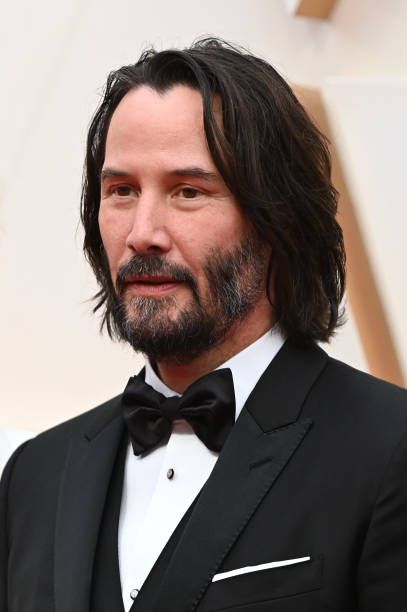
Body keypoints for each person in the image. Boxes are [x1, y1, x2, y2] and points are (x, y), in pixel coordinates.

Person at [1, 38, 406, 612]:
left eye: (187, 191)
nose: (143, 232)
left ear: (276, 219)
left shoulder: (389, 450)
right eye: (121, 191)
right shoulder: (34, 476)